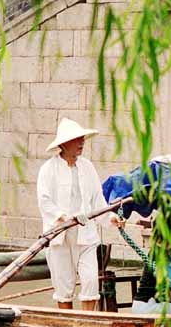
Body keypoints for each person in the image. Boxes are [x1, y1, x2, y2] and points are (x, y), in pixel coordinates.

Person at [36, 118, 118, 311]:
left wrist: (111, 218)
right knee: (63, 283)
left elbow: (97, 200)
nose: (81, 143)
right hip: (60, 234)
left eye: (82, 139)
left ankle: (87, 320)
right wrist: (63, 217)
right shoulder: (48, 169)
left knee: (90, 280)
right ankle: (68, 323)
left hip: (85, 231)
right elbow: (44, 200)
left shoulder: (87, 167)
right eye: (76, 139)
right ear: (63, 144)